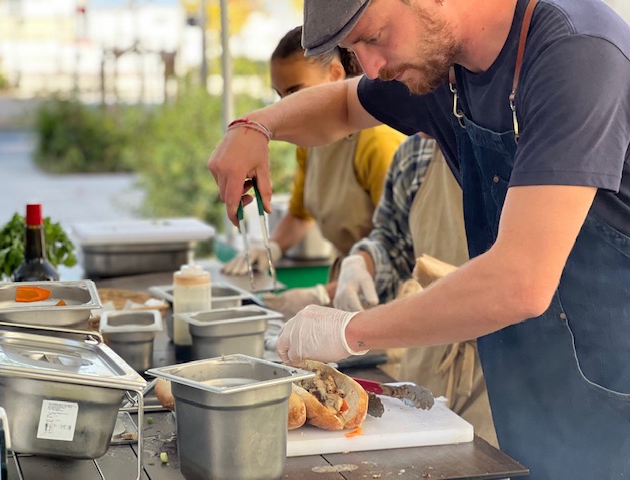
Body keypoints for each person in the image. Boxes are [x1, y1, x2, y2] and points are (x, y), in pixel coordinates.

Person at [207, 0, 630, 478]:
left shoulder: (574, 54)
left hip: (614, 403)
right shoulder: (446, 65)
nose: (370, 67)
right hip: (531, 395)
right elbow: (346, 105)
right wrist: (257, 126)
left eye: (372, 37)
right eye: (352, 49)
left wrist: (348, 330)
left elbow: (520, 282)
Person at [222, 26, 405, 317]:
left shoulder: (377, 141)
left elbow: (402, 248)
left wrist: (320, 295)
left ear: (334, 76)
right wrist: (270, 248)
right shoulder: (309, 143)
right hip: (344, 286)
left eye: (295, 93)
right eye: (280, 96)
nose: (287, 107)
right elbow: (299, 213)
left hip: (389, 298)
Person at [335, 132, 497, 445]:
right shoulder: (416, 152)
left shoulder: (530, 147)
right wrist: (361, 264)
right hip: (428, 351)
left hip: (500, 369)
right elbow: (393, 243)